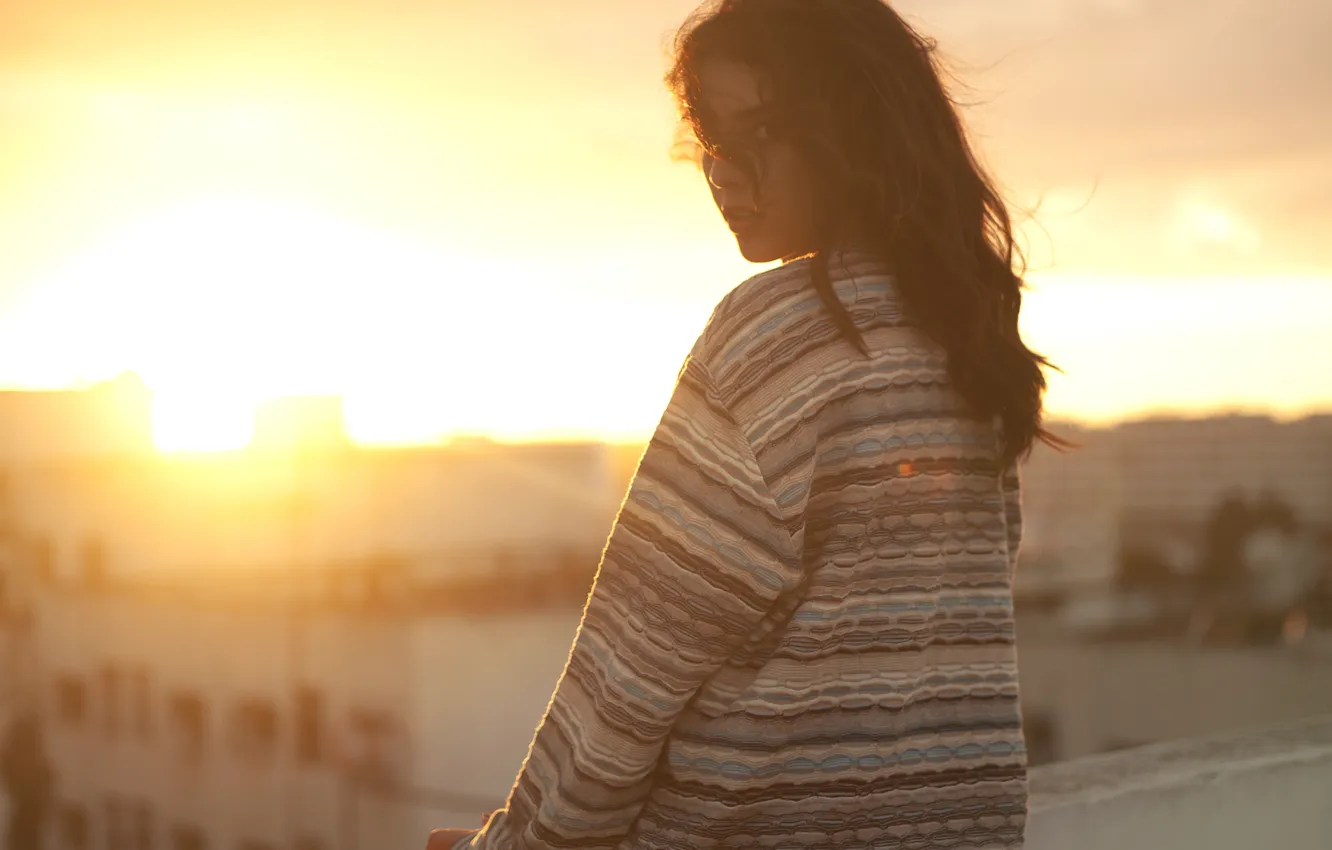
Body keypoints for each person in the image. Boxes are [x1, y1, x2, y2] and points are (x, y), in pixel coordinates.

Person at [429, 0, 1064, 846]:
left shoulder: (770, 339)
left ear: (856, 134)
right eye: (713, 138)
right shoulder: (965, 340)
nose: (726, 171)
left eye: (763, 131)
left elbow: (631, 677)